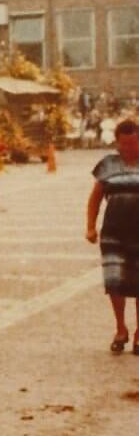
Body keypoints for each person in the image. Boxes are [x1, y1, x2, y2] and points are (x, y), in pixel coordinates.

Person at [85, 117, 139, 354]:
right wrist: (90, 226)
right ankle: (120, 328)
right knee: (114, 282)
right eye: (125, 144)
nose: (130, 148)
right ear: (117, 143)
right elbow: (95, 197)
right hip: (113, 232)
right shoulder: (107, 165)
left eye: (135, 143)